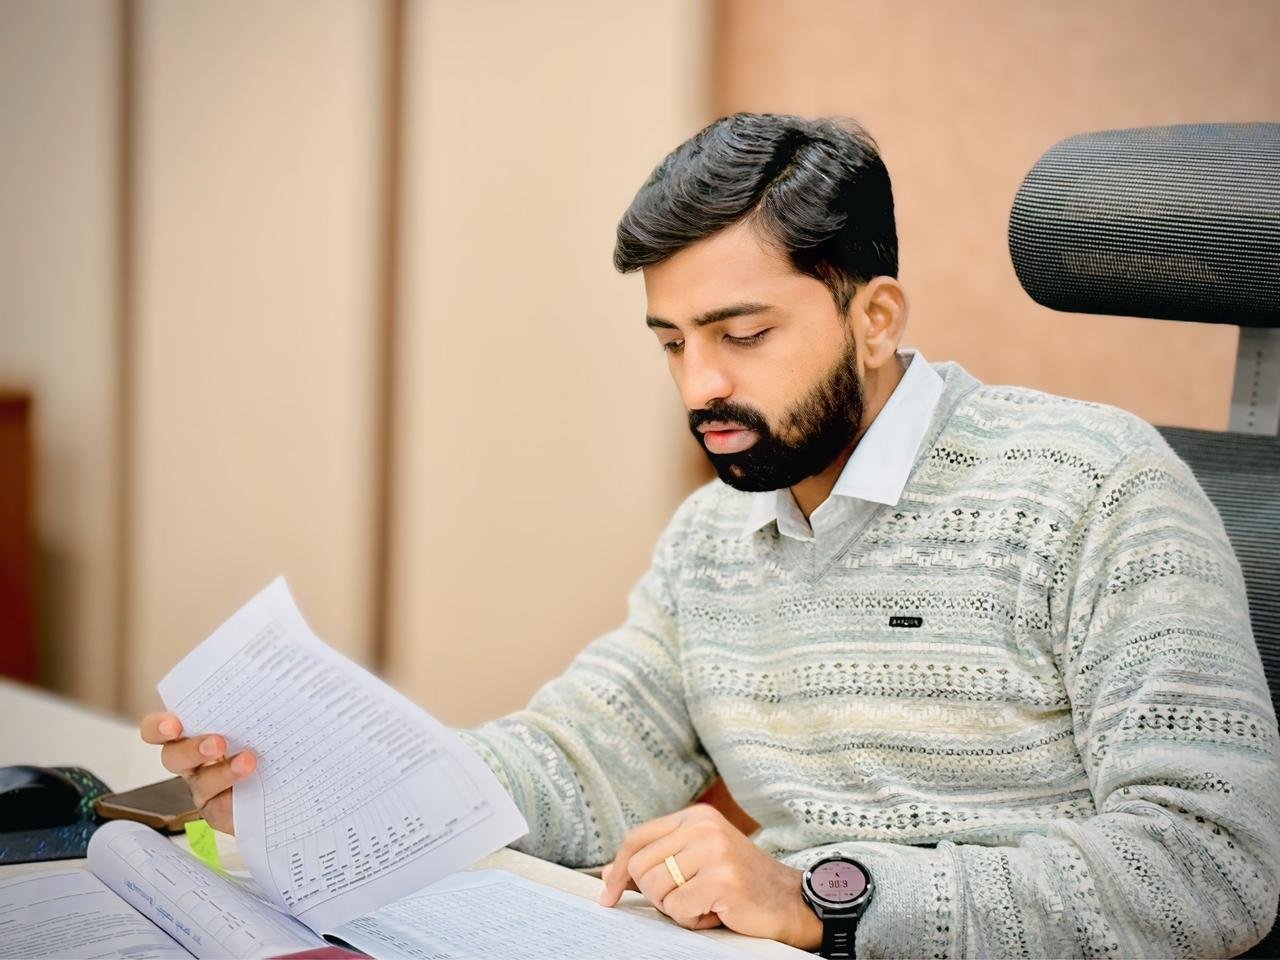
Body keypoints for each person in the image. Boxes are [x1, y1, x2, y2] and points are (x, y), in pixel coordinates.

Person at [141, 114, 1280, 958]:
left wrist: (820, 897)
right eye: (671, 343)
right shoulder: (715, 537)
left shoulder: (1095, 487)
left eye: (741, 334)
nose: (700, 387)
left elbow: (1207, 868)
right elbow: (583, 761)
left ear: (874, 317)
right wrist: (337, 786)